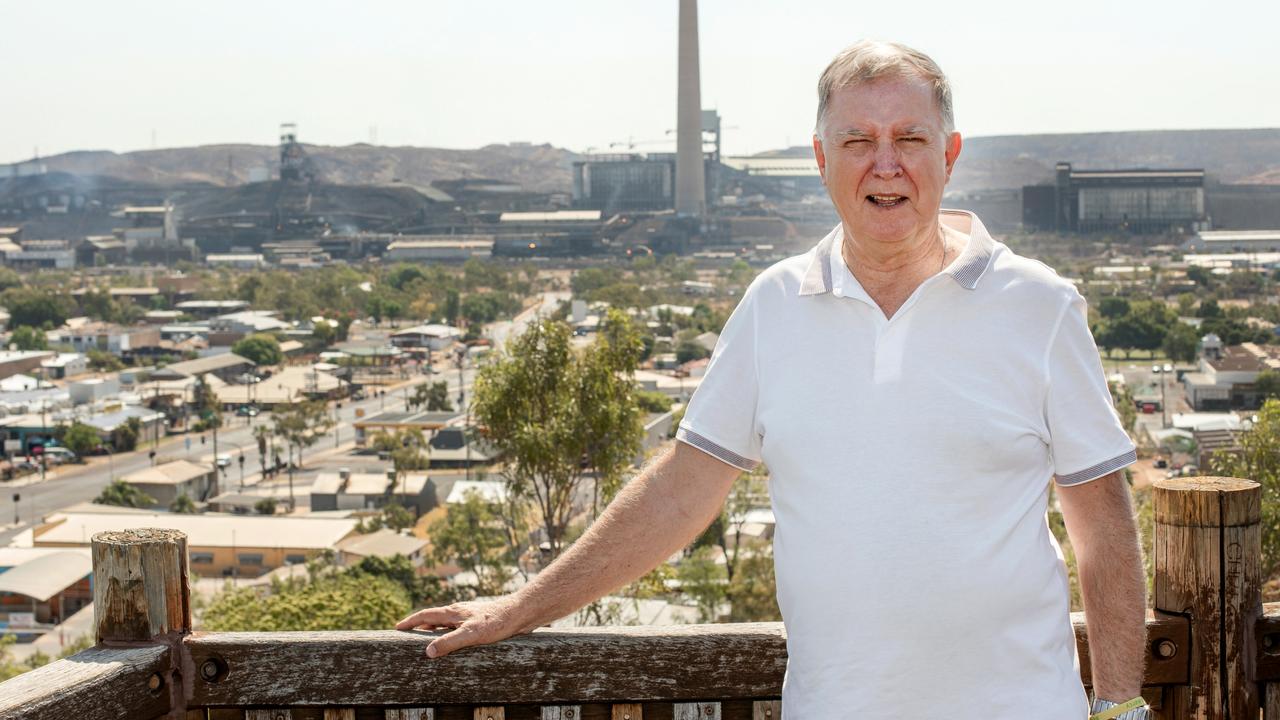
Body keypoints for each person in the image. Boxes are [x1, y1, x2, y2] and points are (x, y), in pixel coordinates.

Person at [397, 40, 1147, 720]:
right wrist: (520, 608)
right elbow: (678, 493)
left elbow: (1102, 526)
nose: (885, 164)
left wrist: (1119, 709)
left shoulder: (1039, 306)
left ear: (948, 155)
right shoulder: (774, 306)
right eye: (858, 141)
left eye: (909, 139)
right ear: (821, 159)